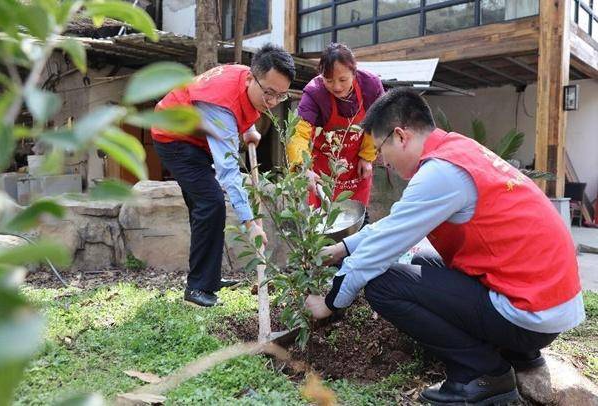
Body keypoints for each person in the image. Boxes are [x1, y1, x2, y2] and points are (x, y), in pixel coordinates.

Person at [305, 88, 585, 405]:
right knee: (424, 261)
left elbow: (377, 252)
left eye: (380, 150)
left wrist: (329, 302)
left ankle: (482, 372)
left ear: (400, 136)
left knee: (381, 284)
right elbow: (396, 223)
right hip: (546, 300)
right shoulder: (458, 151)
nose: (383, 161)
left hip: (530, 313)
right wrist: (341, 249)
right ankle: (520, 354)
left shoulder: (440, 173)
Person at [151, 44, 296, 307]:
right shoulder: (221, 106)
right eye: (269, 94)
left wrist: (248, 128)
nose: (273, 102)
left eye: (281, 96)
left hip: (195, 137)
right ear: (252, 78)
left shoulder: (248, 79)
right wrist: (250, 223)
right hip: (173, 137)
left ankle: (208, 279)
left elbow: (244, 106)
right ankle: (197, 290)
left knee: (206, 207)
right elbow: (228, 170)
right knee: (211, 203)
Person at [286, 43, 384, 213]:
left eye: (343, 80)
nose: (337, 87)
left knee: (357, 218)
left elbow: (379, 121)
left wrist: (368, 156)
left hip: (356, 166)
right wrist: (303, 168)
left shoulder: (370, 85)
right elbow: (298, 132)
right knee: (319, 220)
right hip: (322, 168)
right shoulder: (315, 92)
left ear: (354, 73)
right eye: (329, 80)